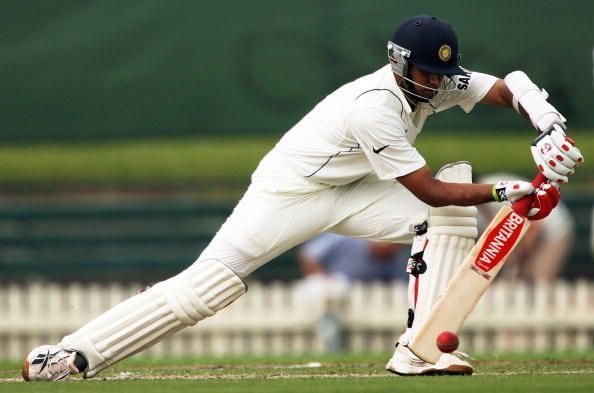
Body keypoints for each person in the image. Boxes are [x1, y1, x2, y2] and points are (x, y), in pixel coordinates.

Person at [22, 15, 583, 381]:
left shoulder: (437, 81)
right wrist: (507, 190)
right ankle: (71, 355)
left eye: (441, 74)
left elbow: (506, 87)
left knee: (451, 215)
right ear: (398, 63)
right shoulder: (375, 105)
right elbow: (425, 187)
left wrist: (546, 125)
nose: (434, 85)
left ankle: (419, 351)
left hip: (353, 189)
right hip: (289, 192)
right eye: (424, 74)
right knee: (208, 287)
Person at [295, 233, 409, 351]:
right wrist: (322, 277)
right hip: (330, 285)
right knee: (328, 288)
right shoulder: (346, 236)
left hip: (362, 298)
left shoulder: (395, 257)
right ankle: (329, 335)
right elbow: (308, 255)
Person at [477, 173, 575, 283]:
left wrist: (519, 255)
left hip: (553, 231)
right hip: (531, 233)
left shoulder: (498, 192)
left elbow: (535, 224)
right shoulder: (476, 209)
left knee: (539, 278)